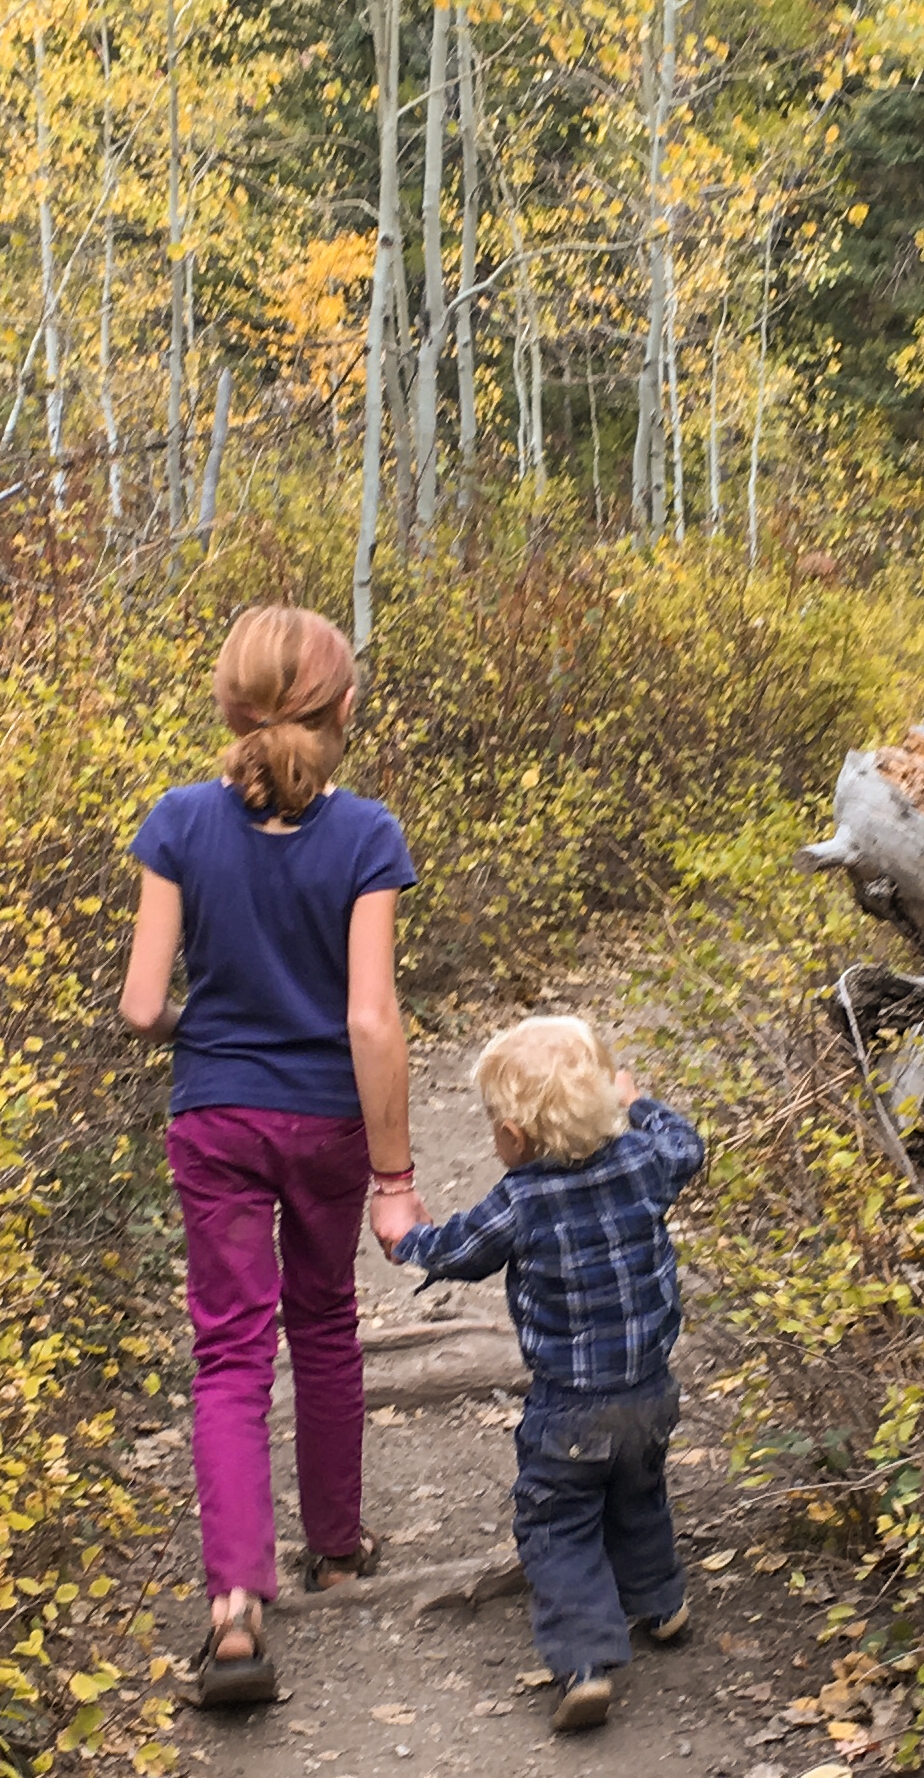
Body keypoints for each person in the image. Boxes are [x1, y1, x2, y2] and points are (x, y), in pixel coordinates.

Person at [119, 605, 427, 1709]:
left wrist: (204, 1020)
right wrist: (396, 1180)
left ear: (228, 705)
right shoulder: (368, 838)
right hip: (328, 1126)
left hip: (218, 1119)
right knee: (326, 1322)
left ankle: (236, 1610)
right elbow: (373, 1022)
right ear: (346, 712)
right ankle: (337, 1545)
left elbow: (144, 1003)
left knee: (231, 1357)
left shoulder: (178, 823)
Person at [393, 1015, 706, 1734]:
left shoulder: (522, 1199)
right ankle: (662, 1605)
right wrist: (640, 1105)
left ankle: (584, 1662)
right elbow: (688, 1146)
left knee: (557, 1523)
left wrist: (406, 1240)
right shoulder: (643, 1161)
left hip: (567, 1410)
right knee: (639, 1494)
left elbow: (460, 1249)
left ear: (512, 1138)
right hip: (652, 1394)